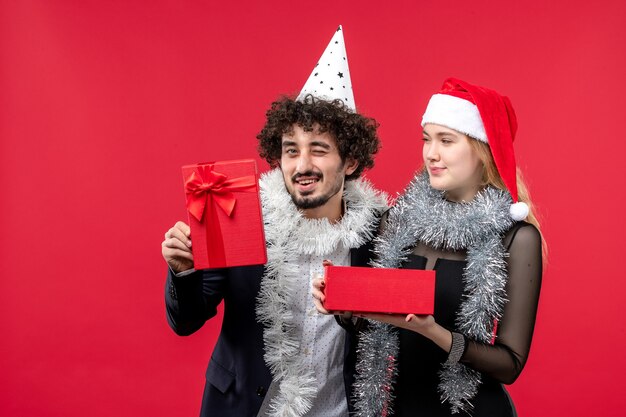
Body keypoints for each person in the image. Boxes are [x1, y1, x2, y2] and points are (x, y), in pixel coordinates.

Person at [162, 27, 388, 417]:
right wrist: (183, 272)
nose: (302, 166)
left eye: (319, 150)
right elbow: (185, 322)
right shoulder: (238, 215)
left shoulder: (380, 233)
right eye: (291, 151)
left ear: (350, 162)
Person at [313, 78, 544, 416]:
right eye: (427, 139)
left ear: (483, 150)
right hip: (397, 408)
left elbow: (510, 364)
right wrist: (343, 304)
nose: (431, 153)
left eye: (446, 141)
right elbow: (380, 329)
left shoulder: (516, 237)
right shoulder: (398, 220)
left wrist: (434, 332)